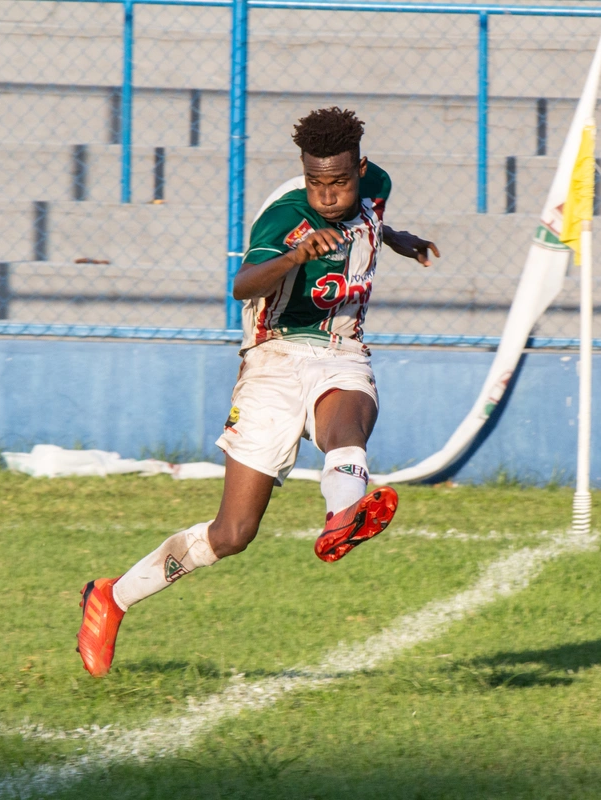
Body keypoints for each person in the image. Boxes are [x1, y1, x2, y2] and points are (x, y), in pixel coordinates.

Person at [77, 107, 439, 677]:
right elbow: (242, 284)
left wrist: (396, 238)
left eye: (339, 182)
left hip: (342, 348)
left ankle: (343, 515)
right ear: (303, 172)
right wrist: (295, 254)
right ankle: (111, 597)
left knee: (347, 423)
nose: (327, 196)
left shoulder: (376, 187)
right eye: (316, 182)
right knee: (234, 532)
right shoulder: (285, 217)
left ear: (360, 169)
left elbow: (366, 221)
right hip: (274, 360)